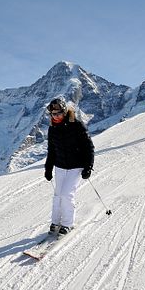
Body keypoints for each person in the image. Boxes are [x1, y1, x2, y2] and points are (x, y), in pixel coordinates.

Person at [44, 97, 95, 237]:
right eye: (53, 114)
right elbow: (52, 150)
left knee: (67, 194)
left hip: (76, 166)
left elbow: (88, 146)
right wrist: (48, 169)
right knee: (58, 195)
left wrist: (88, 166)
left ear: (65, 111)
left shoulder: (76, 125)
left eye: (59, 113)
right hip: (60, 166)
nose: (56, 116)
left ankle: (67, 223)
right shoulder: (52, 128)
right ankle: (55, 222)